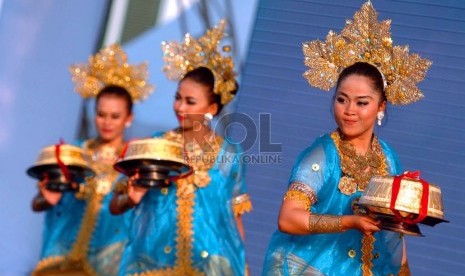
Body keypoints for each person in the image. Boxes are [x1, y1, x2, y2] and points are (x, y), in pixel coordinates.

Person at [262, 2, 431, 276]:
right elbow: (288, 218)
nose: (349, 110)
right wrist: (349, 221)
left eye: (362, 103)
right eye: (342, 100)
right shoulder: (321, 154)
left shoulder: (388, 158)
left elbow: (394, 230)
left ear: (381, 107)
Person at [110, 20, 253, 275]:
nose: (180, 107)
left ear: (211, 109)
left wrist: (242, 265)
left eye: (190, 101)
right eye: (177, 98)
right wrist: (129, 199)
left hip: (210, 266)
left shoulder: (229, 154)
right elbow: (115, 204)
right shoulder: (156, 145)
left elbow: (234, 216)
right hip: (154, 263)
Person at [32, 44, 154, 275]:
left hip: (109, 258)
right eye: (101, 114)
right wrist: (46, 199)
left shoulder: (133, 163)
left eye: (115, 116)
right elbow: (38, 202)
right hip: (62, 256)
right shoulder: (73, 155)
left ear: (129, 118)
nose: (107, 122)